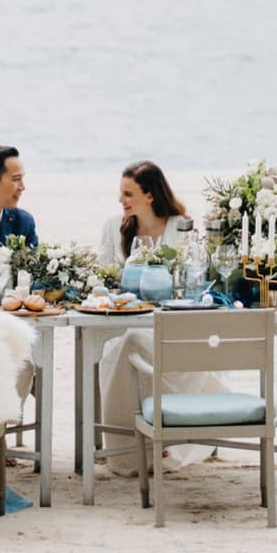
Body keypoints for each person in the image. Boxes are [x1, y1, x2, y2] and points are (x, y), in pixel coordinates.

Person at [96, 161, 231, 475]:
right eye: (121, 193)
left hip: (173, 325)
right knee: (125, 344)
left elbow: (195, 281)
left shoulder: (180, 226)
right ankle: (130, 447)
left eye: (128, 194)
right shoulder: (113, 226)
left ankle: (165, 438)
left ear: (150, 195)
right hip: (125, 319)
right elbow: (102, 276)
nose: (122, 200)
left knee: (138, 344)